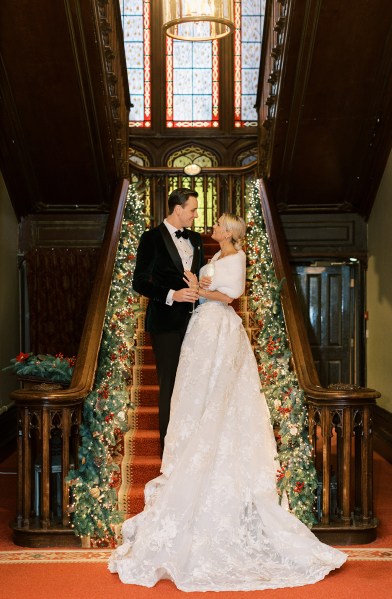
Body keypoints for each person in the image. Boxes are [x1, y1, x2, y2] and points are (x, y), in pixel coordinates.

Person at [109, 213, 347, 591]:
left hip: (220, 326)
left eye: (219, 225)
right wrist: (191, 283)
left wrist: (201, 292)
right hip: (201, 326)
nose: (213, 228)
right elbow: (207, 284)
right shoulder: (215, 257)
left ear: (230, 233)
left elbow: (230, 296)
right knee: (196, 392)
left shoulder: (235, 259)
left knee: (220, 392)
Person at [132, 188, 204, 450]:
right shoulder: (151, 238)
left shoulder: (196, 239)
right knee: (170, 385)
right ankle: (169, 450)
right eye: (193, 210)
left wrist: (203, 287)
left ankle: (191, 448)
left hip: (197, 323)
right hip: (165, 324)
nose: (195, 216)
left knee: (195, 383)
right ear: (178, 209)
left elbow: (201, 274)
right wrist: (173, 294)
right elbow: (139, 282)